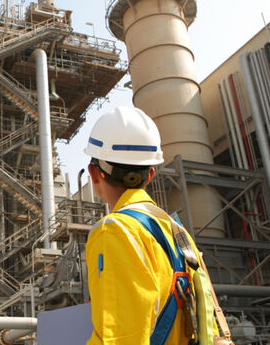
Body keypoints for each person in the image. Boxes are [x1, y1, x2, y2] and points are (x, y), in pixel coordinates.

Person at [84, 106, 214, 344]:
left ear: (94, 173)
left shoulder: (114, 231)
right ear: (151, 174)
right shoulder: (178, 233)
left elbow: (121, 337)